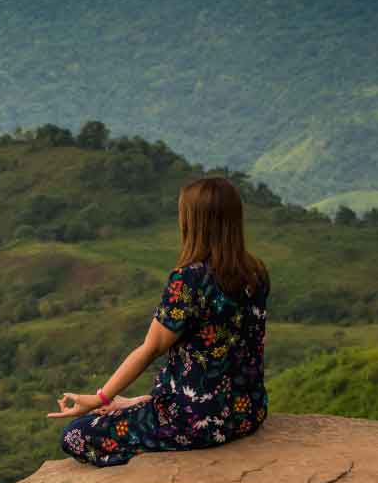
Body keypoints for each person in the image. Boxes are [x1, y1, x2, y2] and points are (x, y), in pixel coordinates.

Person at [46, 176, 270, 466]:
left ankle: (153, 446)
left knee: (76, 435)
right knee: (127, 411)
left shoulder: (189, 279)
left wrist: (100, 398)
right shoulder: (255, 272)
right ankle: (149, 409)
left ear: (194, 222)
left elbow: (150, 348)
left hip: (197, 421)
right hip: (248, 412)